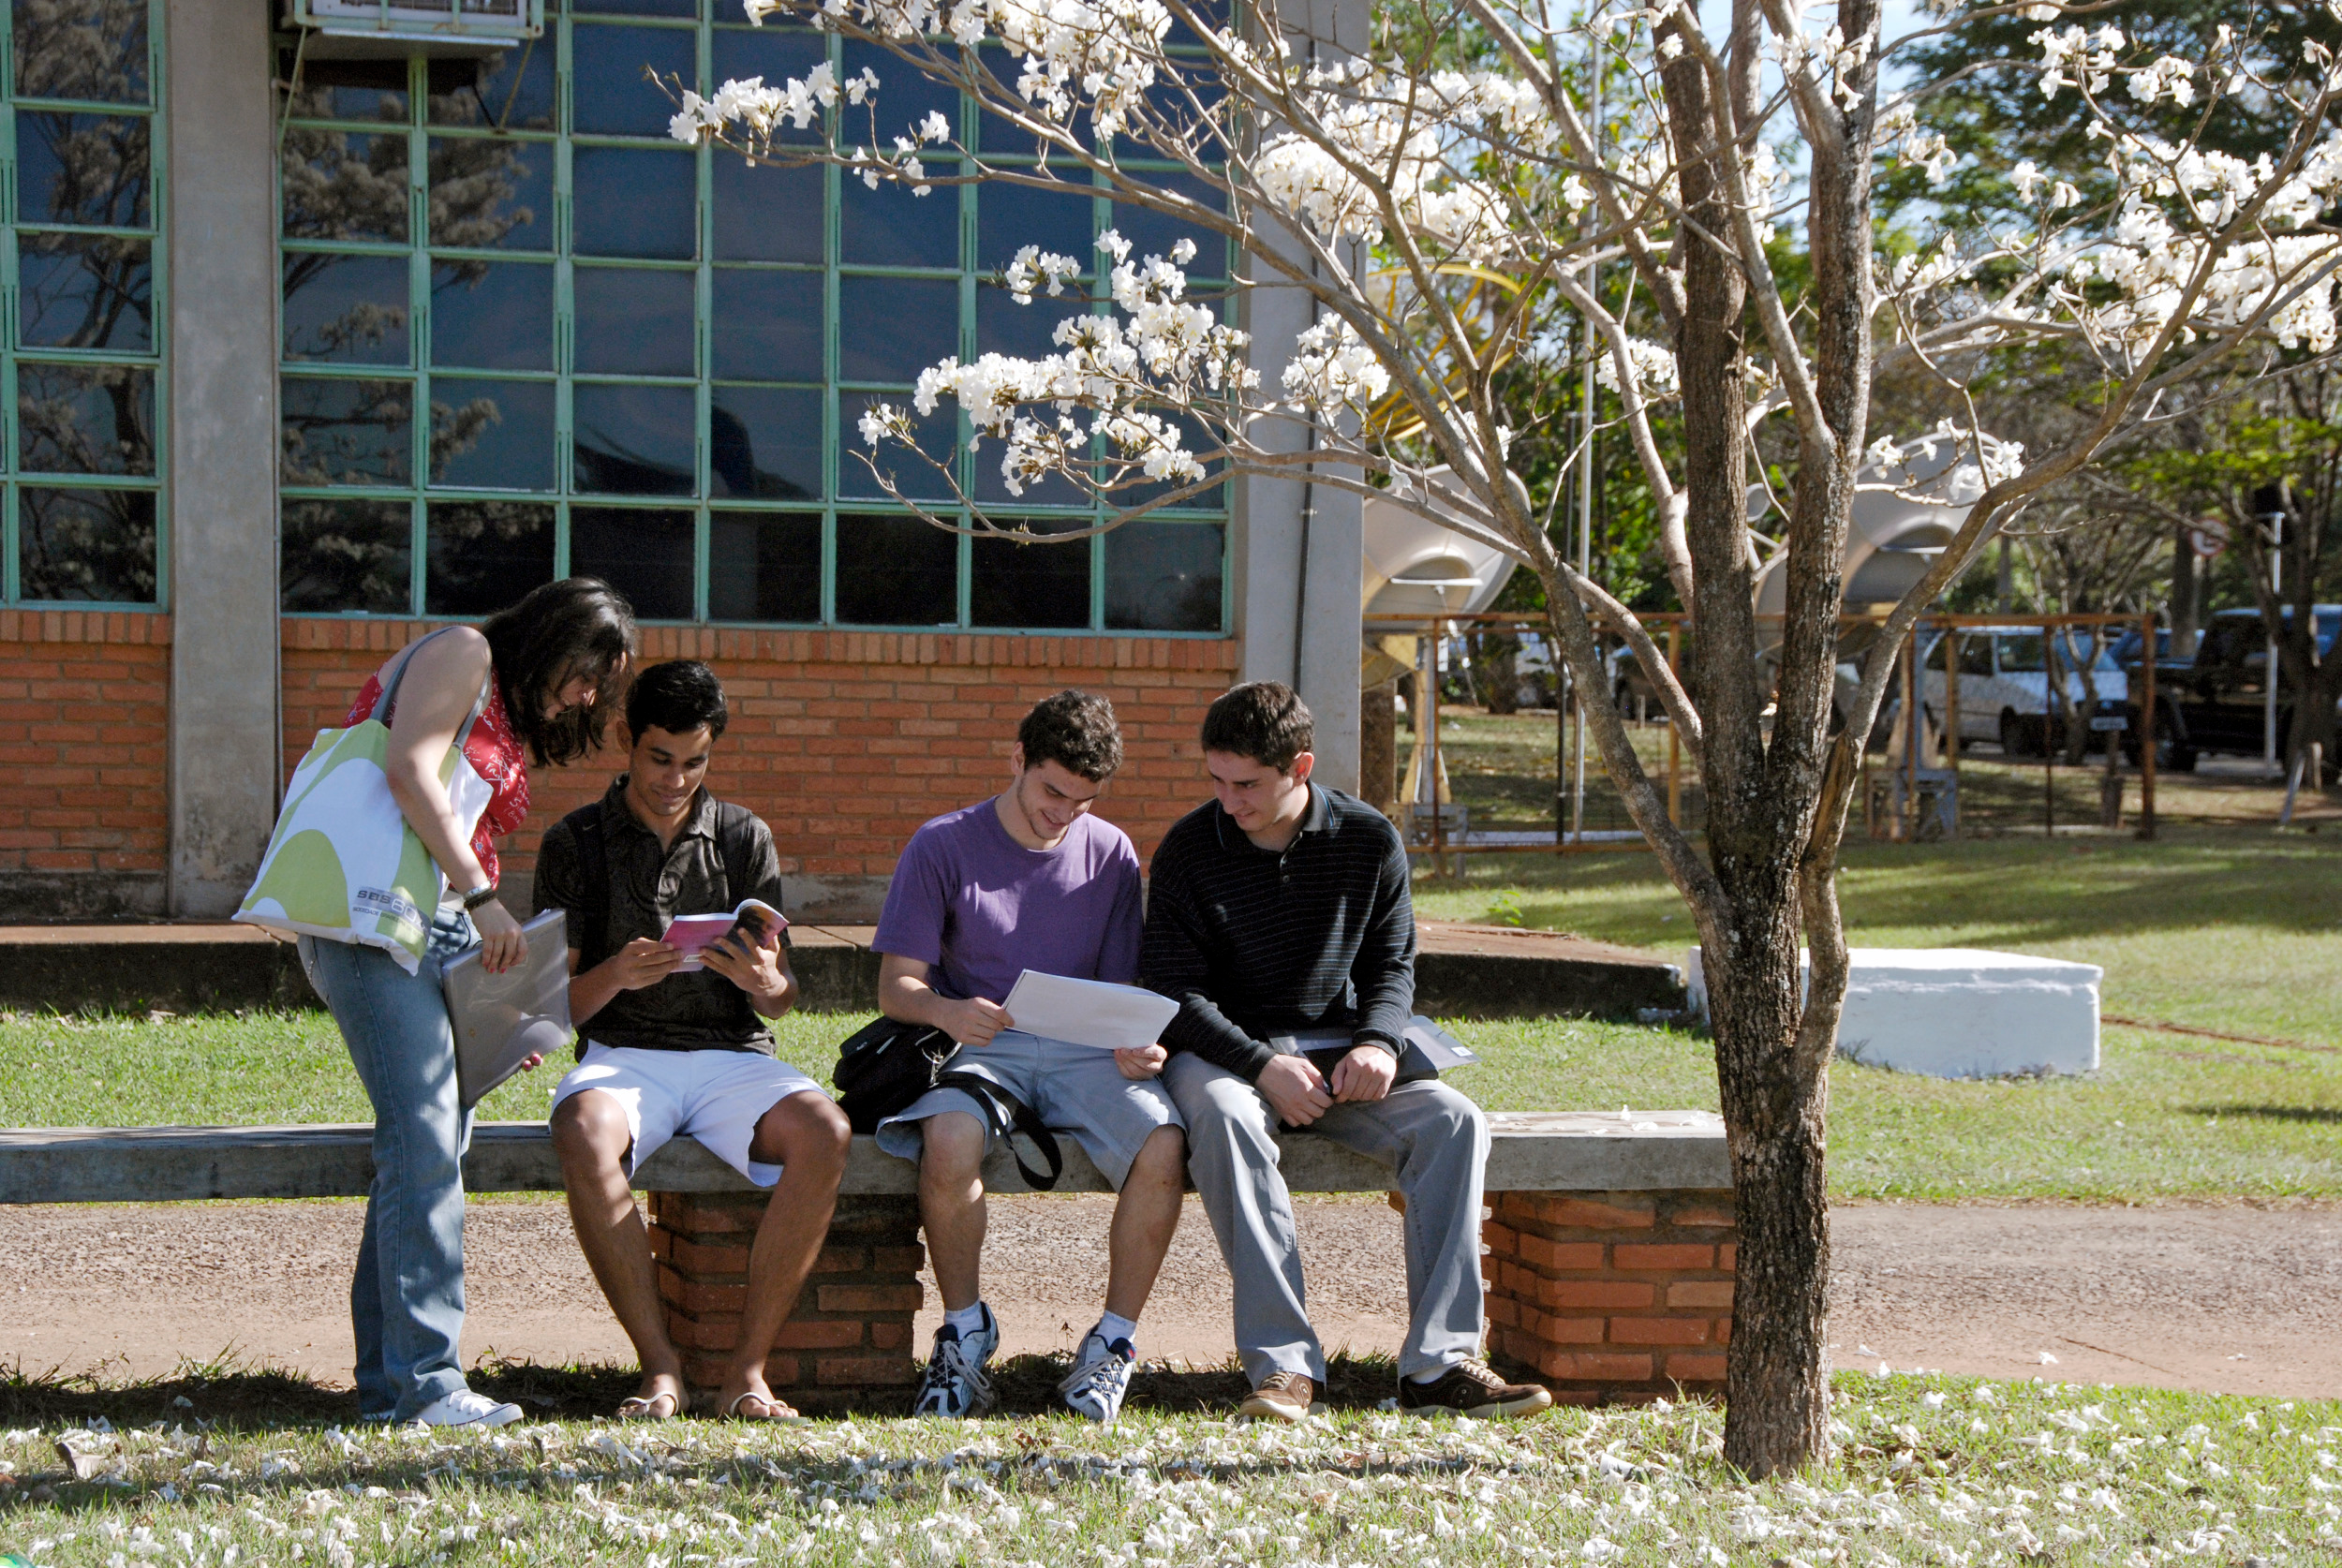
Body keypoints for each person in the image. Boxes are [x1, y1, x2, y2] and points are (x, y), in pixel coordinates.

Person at [1143, 681, 1554, 1421]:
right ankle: (1284, 1372)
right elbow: (1174, 994)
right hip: (1228, 1056)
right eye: (1216, 780)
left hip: (1337, 1052)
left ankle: (1440, 1367)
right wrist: (1260, 1066)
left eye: (1247, 785)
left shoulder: (1369, 839)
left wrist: (1379, 1042)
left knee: (1455, 1121)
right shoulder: (1187, 850)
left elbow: (1393, 967)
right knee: (1230, 1120)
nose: (1227, 801)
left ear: (1300, 768)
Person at [297, 577, 636, 1427]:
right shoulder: (464, 652)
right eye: (589, 671)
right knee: (420, 1137)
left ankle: (390, 1386)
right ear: (555, 635)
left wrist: (501, 1012)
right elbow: (408, 769)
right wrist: (487, 898)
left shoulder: (508, 710)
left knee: (431, 1142)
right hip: (377, 924)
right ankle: (429, 1386)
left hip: (439, 924)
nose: (590, 695)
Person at [536, 660, 851, 1422]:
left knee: (827, 1131)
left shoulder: (744, 836)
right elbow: (555, 1009)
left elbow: (780, 1002)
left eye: (696, 762)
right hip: (623, 1057)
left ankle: (747, 1372)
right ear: (624, 739)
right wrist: (616, 973)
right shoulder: (574, 840)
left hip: (732, 1056)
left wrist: (763, 981)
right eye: (660, 759)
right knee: (580, 1130)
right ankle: (662, 1369)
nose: (677, 779)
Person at [871, 690, 1185, 1425]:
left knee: (1165, 1143)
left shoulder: (1108, 851)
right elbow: (896, 988)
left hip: (1084, 1050)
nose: (1064, 814)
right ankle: (964, 1331)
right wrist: (949, 1009)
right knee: (948, 1140)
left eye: (1083, 801)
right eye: (1052, 791)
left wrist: (1137, 1041)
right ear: (1017, 759)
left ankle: (1111, 1345)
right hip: (983, 1045)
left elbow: (1118, 990)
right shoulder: (942, 843)